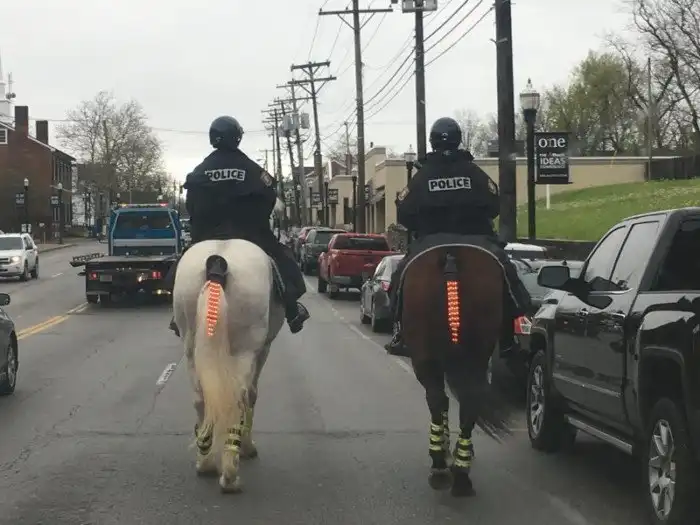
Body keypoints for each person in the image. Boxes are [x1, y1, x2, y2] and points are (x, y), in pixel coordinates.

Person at [384, 116, 532, 357]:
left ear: (432, 142)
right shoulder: (474, 173)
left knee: (400, 277)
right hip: (477, 239)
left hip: (429, 241)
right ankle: (509, 336)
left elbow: (404, 212)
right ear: (458, 140)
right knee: (507, 274)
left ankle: (400, 330)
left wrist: (423, 224)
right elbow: (494, 205)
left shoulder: (422, 176)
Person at [167, 115, 310, 336]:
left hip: (207, 234)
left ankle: (178, 316)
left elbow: (192, 205)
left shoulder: (199, 172)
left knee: (179, 269)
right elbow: (268, 198)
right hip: (250, 234)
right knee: (283, 261)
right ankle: (292, 310)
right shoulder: (252, 169)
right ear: (237, 138)